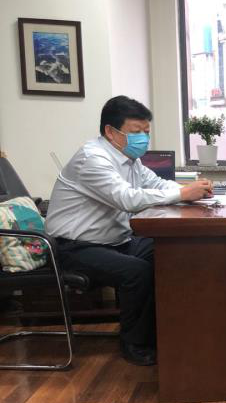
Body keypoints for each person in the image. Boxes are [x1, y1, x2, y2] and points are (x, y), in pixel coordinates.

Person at [45, 96, 213, 366]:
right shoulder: (93, 158)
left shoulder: (130, 158)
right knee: (137, 272)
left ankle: (170, 330)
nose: (143, 138)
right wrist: (183, 193)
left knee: (172, 251)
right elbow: (127, 198)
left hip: (116, 241)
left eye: (146, 132)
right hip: (73, 247)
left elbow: (156, 184)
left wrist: (193, 190)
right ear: (111, 132)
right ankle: (135, 343)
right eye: (136, 132)